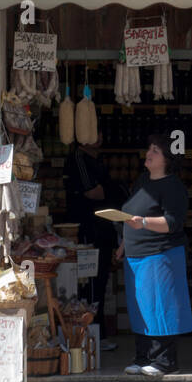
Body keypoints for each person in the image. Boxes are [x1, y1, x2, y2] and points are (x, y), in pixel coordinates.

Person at [116, 134, 192, 376]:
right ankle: (142, 357)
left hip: (160, 254)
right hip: (135, 254)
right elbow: (131, 214)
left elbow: (172, 222)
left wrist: (146, 222)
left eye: (156, 151)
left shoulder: (173, 187)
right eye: (149, 148)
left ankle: (164, 361)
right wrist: (122, 245)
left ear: (168, 160)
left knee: (161, 306)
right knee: (141, 307)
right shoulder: (141, 181)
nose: (149, 153)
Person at [64, 129, 126, 349]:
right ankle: (92, 336)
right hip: (89, 229)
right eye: (95, 131)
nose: (100, 136)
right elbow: (94, 192)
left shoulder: (96, 159)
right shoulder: (79, 158)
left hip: (103, 228)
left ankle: (97, 334)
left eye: (100, 131)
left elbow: (103, 191)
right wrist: (110, 190)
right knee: (90, 283)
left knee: (99, 282)